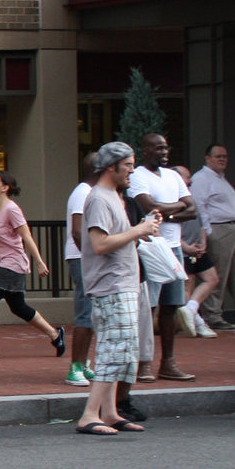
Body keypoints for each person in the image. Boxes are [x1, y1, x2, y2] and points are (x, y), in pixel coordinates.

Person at [74, 142, 163, 436]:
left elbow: (118, 239)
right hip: (111, 285)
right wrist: (138, 230)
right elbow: (100, 244)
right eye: (127, 165)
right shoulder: (99, 197)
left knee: (123, 350)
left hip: (122, 282)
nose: (132, 171)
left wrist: (143, 229)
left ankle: (110, 412)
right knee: (114, 350)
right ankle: (90, 414)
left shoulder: (113, 196)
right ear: (111, 167)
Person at [0, 171, 63, 360]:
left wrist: (40, 262)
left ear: (5, 187)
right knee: (18, 307)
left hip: (14, 262)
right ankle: (55, 335)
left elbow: (26, 236)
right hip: (4, 262)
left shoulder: (12, 209)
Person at [128, 133, 197, 381]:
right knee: (149, 307)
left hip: (174, 247)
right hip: (152, 246)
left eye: (166, 148)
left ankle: (168, 362)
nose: (164, 152)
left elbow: (193, 208)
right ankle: (143, 362)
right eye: (158, 148)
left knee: (171, 307)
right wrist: (175, 207)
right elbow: (148, 207)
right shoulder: (137, 175)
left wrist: (166, 212)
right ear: (145, 150)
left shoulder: (173, 175)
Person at [188, 144, 235, 329]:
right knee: (219, 273)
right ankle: (213, 315)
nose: (222, 159)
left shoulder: (221, 180)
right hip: (220, 230)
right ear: (207, 158)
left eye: (225, 156)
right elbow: (199, 207)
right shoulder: (202, 178)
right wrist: (208, 232)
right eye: (218, 156)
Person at [63, 152, 99, 386]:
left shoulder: (91, 192)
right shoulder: (83, 193)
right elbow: (77, 230)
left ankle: (84, 363)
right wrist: (89, 256)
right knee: (85, 313)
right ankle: (75, 366)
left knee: (92, 315)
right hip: (82, 257)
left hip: (88, 257)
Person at [173, 166, 219, 338]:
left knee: (212, 279)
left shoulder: (191, 199)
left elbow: (200, 224)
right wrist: (186, 247)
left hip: (197, 249)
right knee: (187, 286)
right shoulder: (172, 201)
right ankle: (198, 323)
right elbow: (169, 230)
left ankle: (191, 310)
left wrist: (203, 244)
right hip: (184, 250)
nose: (190, 181)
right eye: (187, 177)